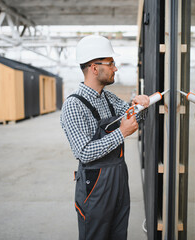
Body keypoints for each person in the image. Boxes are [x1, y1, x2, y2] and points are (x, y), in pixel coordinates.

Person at [60, 35, 150, 240]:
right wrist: (121, 133)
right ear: (94, 68)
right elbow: (84, 152)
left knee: (118, 233)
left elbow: (133, 115)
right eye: (111, 64)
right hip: (95, 186)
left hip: (118, 177)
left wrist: (141, 104)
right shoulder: (74, 105)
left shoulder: (108, 98)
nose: (115, 68)